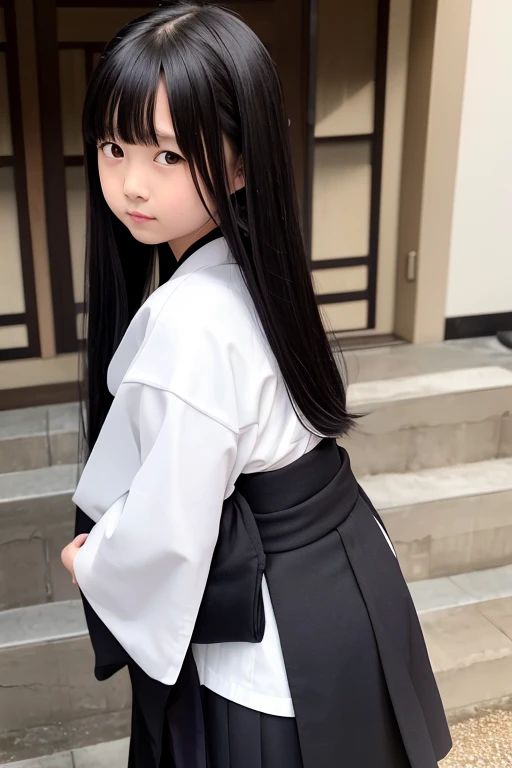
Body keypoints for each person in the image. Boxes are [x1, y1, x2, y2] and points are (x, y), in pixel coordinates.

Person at [61, 2, 453, 767]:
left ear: (240, 163)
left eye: (168, 156)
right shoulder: (260, 274)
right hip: (346, 568)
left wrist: (91, 562)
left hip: (272, 615)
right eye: (114, 148)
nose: (132, 184)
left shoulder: (189, 317)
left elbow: (170, 533)